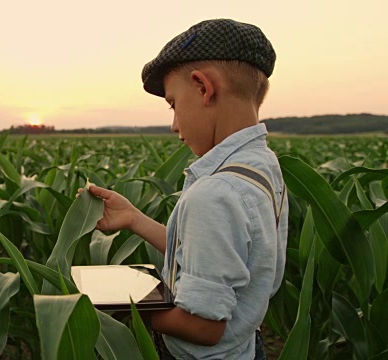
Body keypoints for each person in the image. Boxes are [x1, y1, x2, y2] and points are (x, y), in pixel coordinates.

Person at [82, 19, 288, 359]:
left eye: (174, 104)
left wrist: (126, 305)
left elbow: (204, 327)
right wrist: (135, 219)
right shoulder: (262, 167)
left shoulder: (215, 194)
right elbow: (214, 256)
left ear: (204, 87)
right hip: (245, 348)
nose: (174, 125)